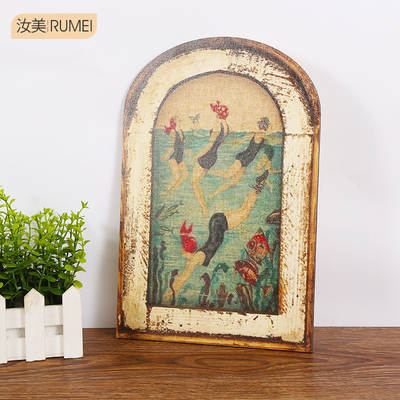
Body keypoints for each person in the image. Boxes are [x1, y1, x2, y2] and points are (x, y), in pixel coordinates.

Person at [163, 169, 270, 302]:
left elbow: (184, 275)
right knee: (244, 209)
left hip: (220, 225)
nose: (190, 264)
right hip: (217, 221)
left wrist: (172, 290)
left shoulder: (198, 257)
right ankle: (258, 184)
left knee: (245, 211)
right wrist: (185, 253)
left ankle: (258, 185)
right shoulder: (198, 256)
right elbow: (188, 258)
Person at [209, 117, 280, 197]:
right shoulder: (261, 135)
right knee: (227, 175)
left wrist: (236, 144)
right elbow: (273, 139)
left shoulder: (256, 134)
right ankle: (208, 171)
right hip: (243, 158)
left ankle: (214, 194)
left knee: (234, 182)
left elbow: (244, 138)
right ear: (266, 126)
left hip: (246, 161)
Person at [191, 101, 230, 215]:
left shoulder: (217, 126)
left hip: (207, 155)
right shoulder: (226, 127)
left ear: (218, 114)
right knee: (198, 181)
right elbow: (218, 143)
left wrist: (197, 156)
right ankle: (206, 202)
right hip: (214, 156)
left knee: (194, 182)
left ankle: (204, 207)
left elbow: (209, 144)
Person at [161, 117, 188, 193]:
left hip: (180, 156)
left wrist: (187, 152)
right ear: (175, 122)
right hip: (174, 156)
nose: (180, 121)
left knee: (185, 175)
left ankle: (172, 190)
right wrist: (167, 155)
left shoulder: (181, 131)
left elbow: (182, 144)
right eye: (179, 120)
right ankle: (167, 191)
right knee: (177, 177)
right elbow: (172, 146)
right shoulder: (173, 132)